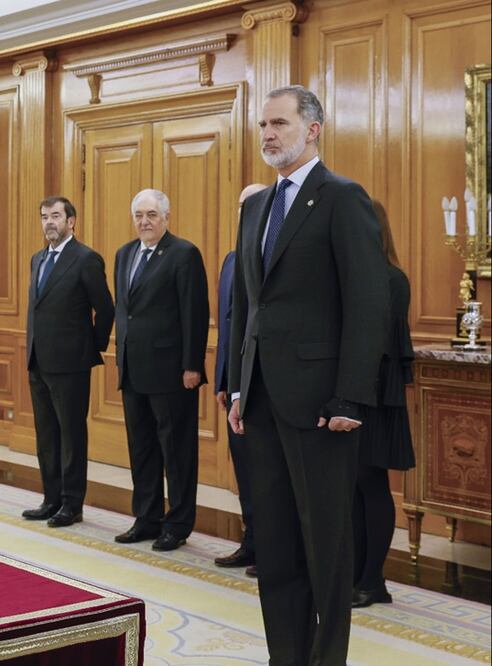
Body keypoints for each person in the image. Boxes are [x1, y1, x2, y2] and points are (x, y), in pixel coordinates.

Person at [228, 85, 389, 664]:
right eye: (263, 125)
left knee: (326, 547)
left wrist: (351, 396)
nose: (268, 134)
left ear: (313, 128)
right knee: (274, 546)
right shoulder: (255, 207)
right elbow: (249, 306)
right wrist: (240, 386)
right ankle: (287, 656)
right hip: (264, 401)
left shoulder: (343, 198)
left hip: (324, 406)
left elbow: (368, 305)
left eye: (279, 123)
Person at [112, 189, 208, 552]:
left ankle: (178, 523)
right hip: (133, 369)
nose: (144, 221)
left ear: (166, 217)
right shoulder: (124, 254)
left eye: (151, 214)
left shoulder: (183, 254)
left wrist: (192, 366)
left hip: (171, 371)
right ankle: (147, 517)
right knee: (142, 448)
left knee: (177, 451)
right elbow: (126, 311)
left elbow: (194, 313)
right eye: (139, 214)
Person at [22, 196, 114, 528]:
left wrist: (90, 348)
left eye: (56, 216)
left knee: (71, 435)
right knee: (46, 434)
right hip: (38, 360)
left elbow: (105, 310)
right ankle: (51, 498)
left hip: (71, 363)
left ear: (71, 221)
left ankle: (72, 504)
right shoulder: (37, 259)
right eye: (45, 216)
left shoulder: (86, 259)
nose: (49, 222)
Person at [351, 200, 415, 608]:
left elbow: (378, 344)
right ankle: (358, 574)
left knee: (372, 485)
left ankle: (373, 580)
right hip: (356, 393)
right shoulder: (360, 274)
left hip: (375, 395)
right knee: (354, 488)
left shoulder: (391, 278)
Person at [213, 183, 267, 576]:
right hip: (235, 386)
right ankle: (251, 542)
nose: (245, 211)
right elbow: (227, 325)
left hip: (264, 385)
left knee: (268, 476)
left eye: (253, 205)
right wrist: (223, 380)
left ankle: (273, 548)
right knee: (245, 473)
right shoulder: (232, 258)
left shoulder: (271, 256)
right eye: (240, 205)